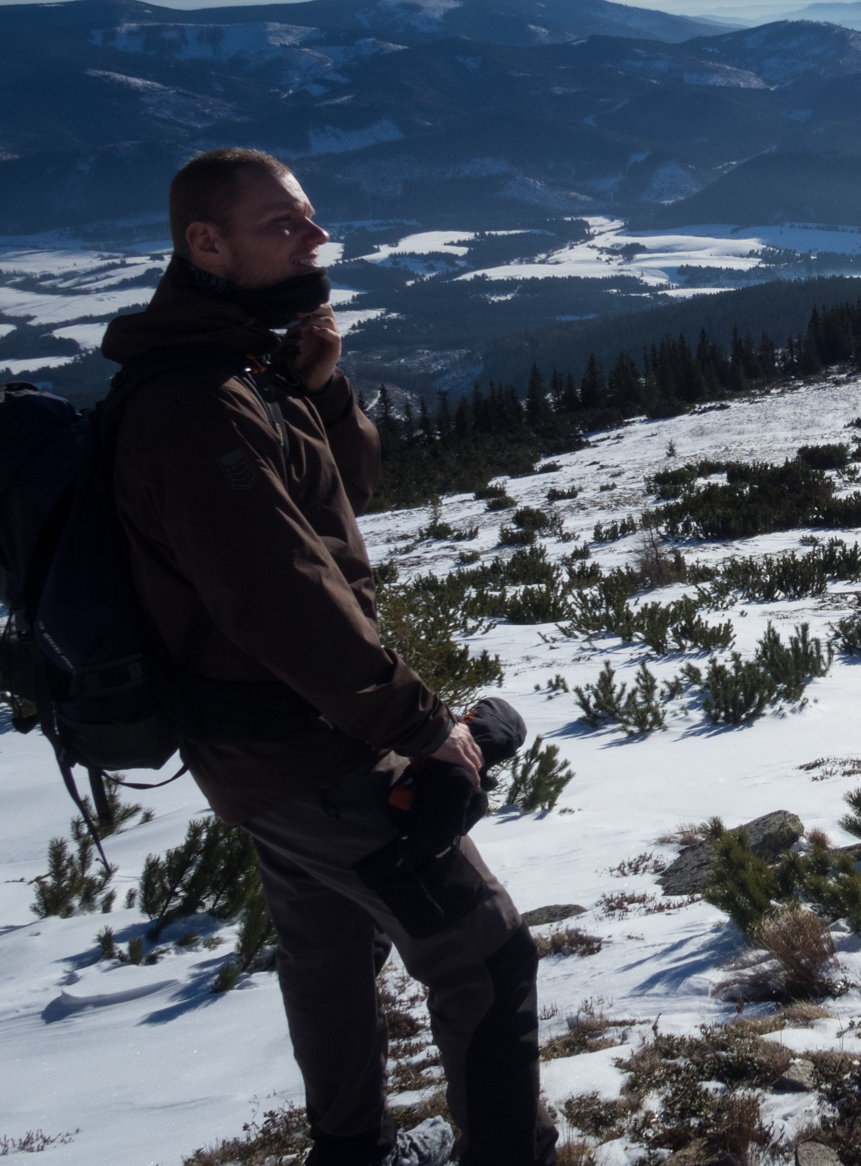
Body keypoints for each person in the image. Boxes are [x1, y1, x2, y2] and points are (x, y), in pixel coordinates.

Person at [98, 148, 556, 1166]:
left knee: (328, 952)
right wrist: (424, 727)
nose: (316, 238)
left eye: (310, 218)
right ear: (204, 243)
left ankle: (349, 1150)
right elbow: (280, 596)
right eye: (283, 225)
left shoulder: (242, 366)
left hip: (266, 750)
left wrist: (323, 387)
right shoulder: (193, 401)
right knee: (485, 952)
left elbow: (338, 504)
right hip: (310, 746)